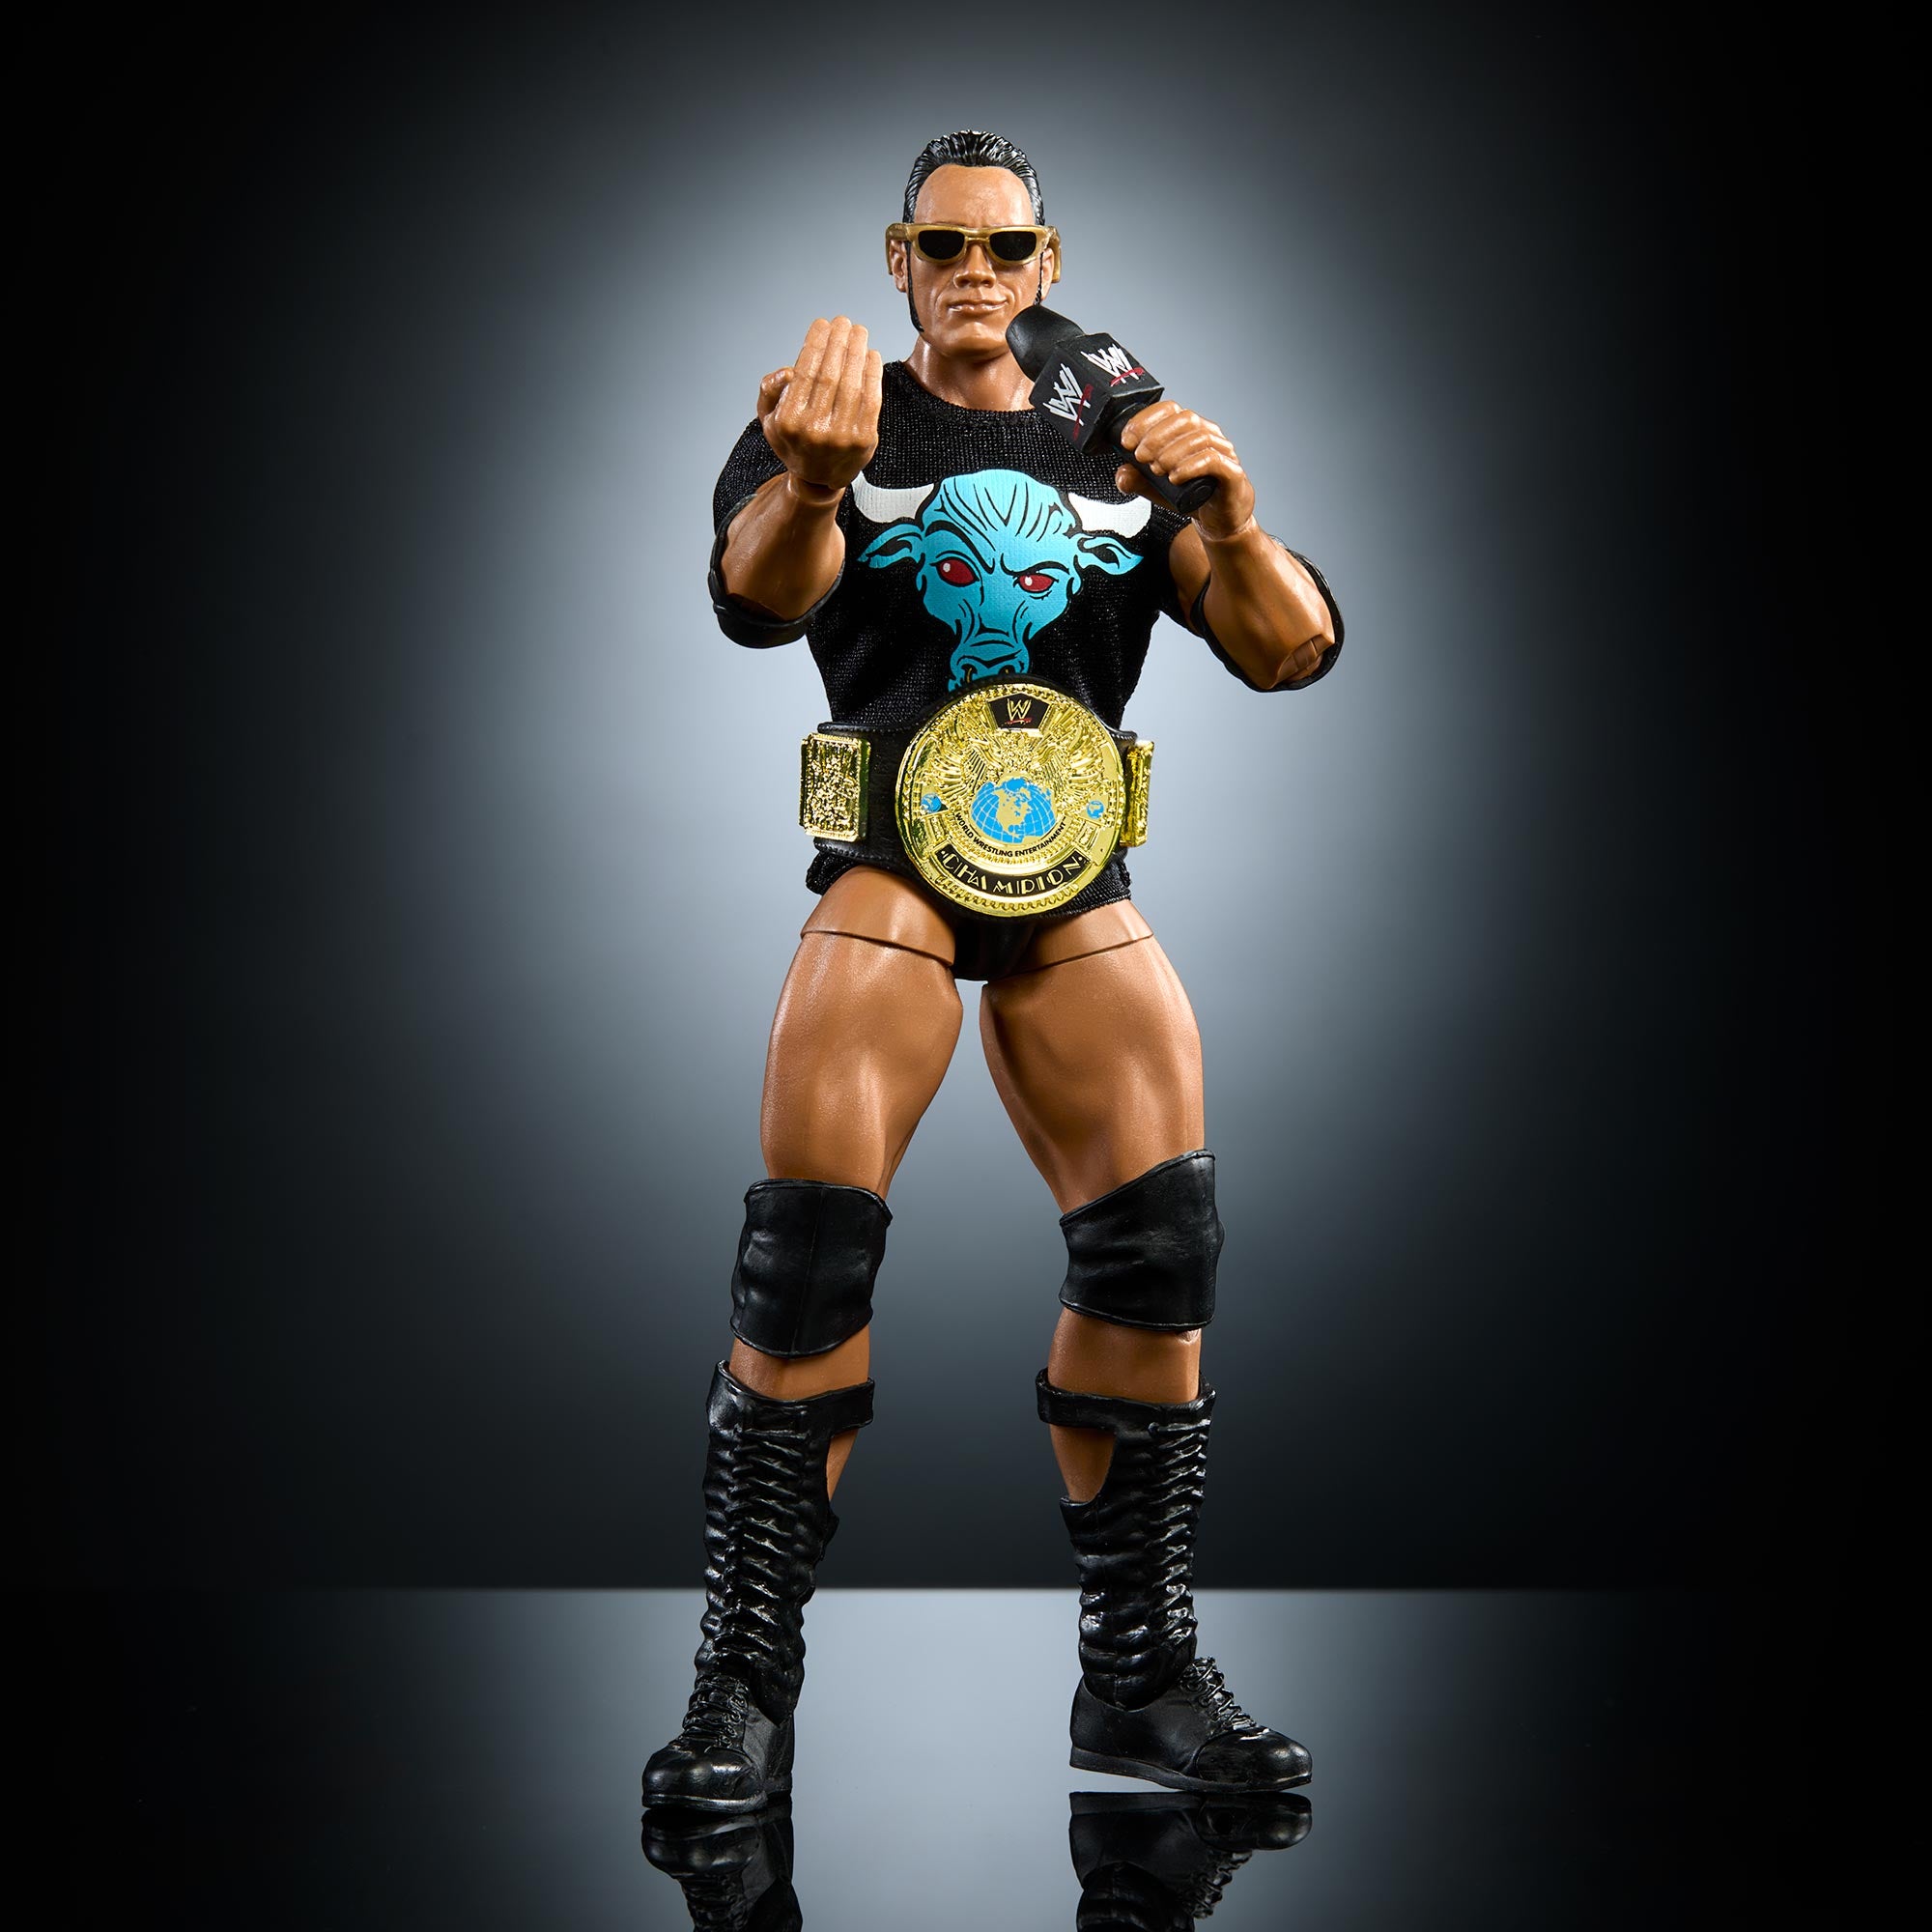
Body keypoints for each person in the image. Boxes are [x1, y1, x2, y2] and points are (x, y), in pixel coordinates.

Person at [643, 129, 1342, 1813]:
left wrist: (1236, 520)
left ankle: (1141, 1684)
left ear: (1048, 260)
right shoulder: (829, 412)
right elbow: (754, 603)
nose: (975, 272)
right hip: (890, 858)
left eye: (1005, 247)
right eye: (942, 245)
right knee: (806, 1256)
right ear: (897, 260)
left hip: (1070, 870)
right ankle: (742, 1690)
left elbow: (1290, 648)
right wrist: (816, 484)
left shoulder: (1123, 435)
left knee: (1161, 1244)